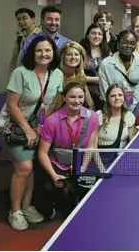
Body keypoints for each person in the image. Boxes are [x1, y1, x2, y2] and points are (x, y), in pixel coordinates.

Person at [0, 35, 63, 230]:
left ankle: (26, 206)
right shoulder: (20, 72)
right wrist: (28, 130)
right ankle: (14, 211)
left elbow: (53, 103)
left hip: (38, 127)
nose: (44, 54)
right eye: (39, 50)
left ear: (53, 53)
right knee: (23, 168)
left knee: (31, 167)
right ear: (32, 53)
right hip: (15, 126)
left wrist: (40, 128)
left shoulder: (56, 74)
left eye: (48, 50)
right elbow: (12, 105)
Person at [36, 82, 100, 218]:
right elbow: (42, 152)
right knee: (45, 208)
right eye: (72, 97)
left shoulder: (92, 117)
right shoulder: (52, 120)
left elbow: (91, 147)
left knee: (80, 203)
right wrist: (53, 175)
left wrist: (82, 168)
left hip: (80, 161)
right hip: (57, 162)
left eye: (80, 97)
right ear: (64, 97)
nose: (77, 101)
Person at [98, 30, 139, 115]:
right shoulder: (106, 63)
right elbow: (105, 89)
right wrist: (116, 105)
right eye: (125, 42)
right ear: (118, 44)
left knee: (134, 125)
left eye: (132, 43)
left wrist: (130, 106)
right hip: (112, 104)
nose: (129, 46)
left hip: (134, 102)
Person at [97, 84, 137, 165]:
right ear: (107, 99)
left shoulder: (129, 116)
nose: (117, 98)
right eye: (113, 96)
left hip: (121, 160)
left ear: (124, 98)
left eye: (120, 95)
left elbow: (132, 144)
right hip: (101, 160)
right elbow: (92, 147)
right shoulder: (98, 116)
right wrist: (100, 168)